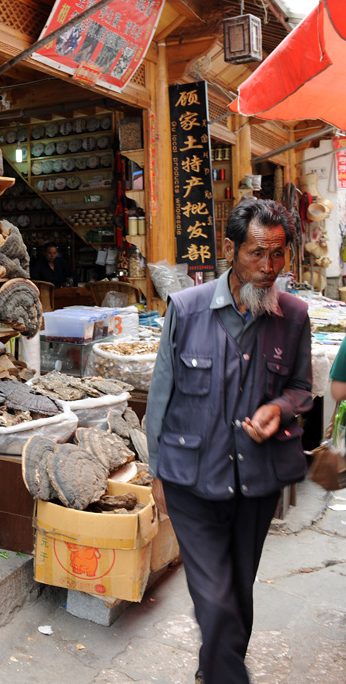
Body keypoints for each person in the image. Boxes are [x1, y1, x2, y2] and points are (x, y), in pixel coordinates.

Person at [146, 199, 312, 684]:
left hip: (257, 482)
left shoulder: (294, 316)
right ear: (230, 249)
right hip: (190, 478)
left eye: (278, 255)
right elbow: (160, 396)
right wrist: (155, 471)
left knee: (238, 592)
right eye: (257, 253)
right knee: (214, 596)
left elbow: (301, 388)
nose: (268, 268)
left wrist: (279, 409)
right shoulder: (187, 309)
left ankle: (213, 669)